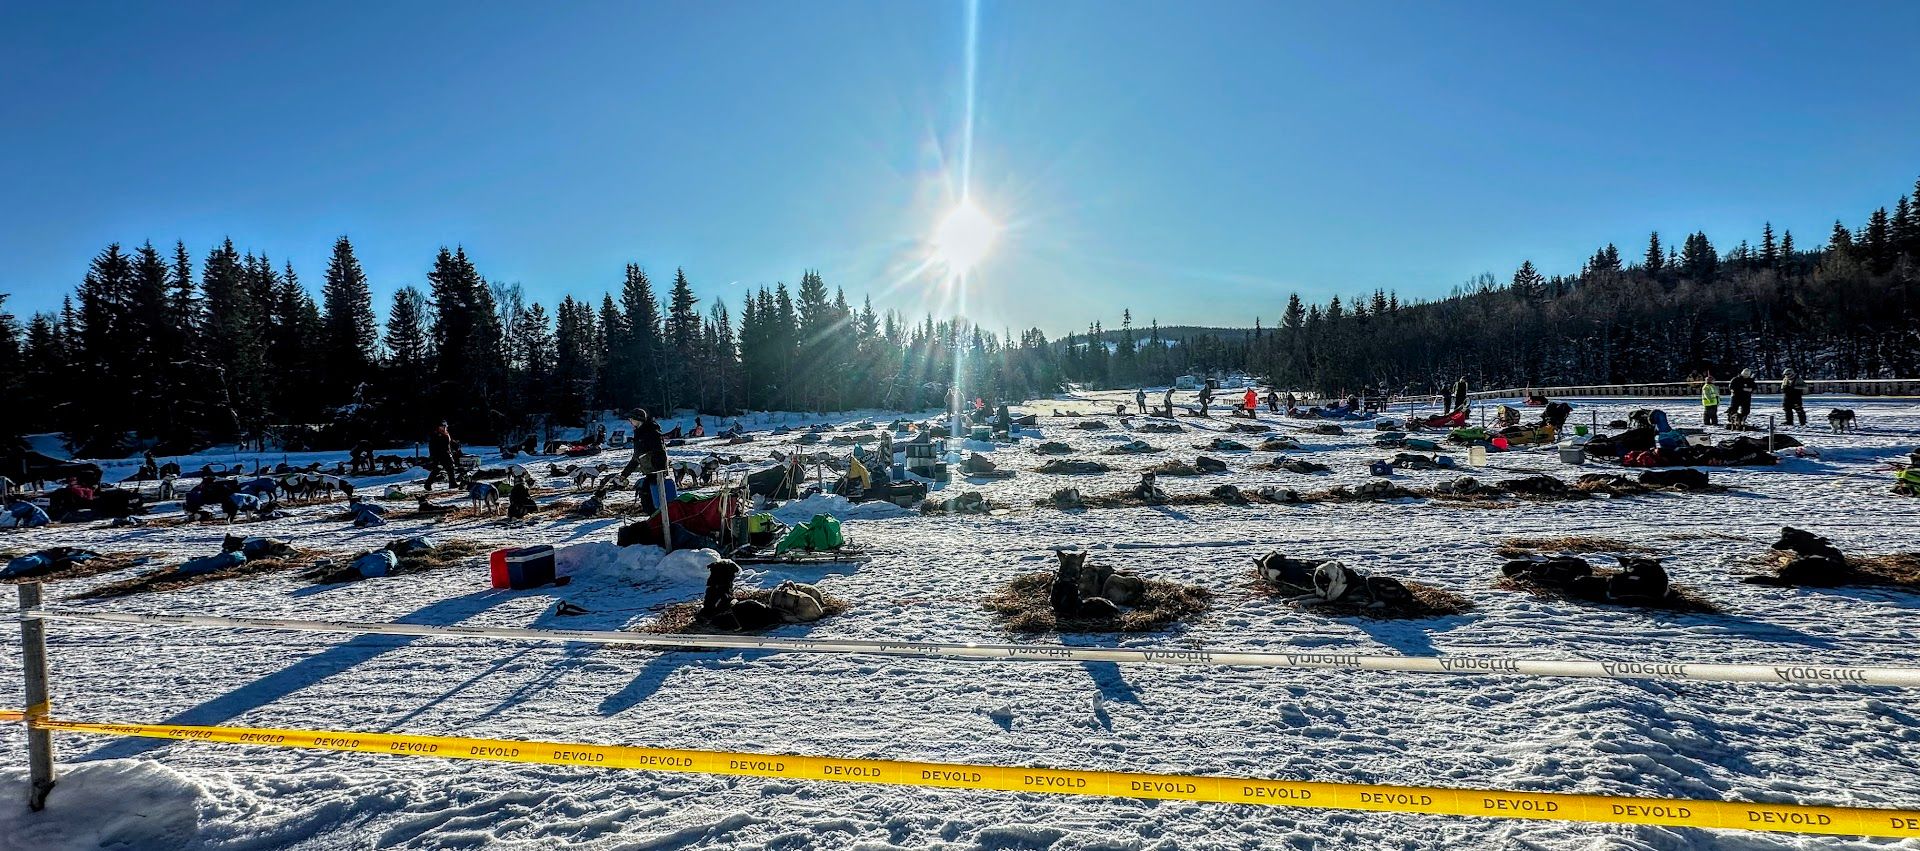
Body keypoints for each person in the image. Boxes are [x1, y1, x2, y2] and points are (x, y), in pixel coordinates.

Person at [621, 408, 671, 488]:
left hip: (657, 473)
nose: (630, 421)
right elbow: (637, 457)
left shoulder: (651, 432)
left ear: (638, 419)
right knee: (643, 491)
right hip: (649, 473)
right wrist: (624, 474)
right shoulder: (639, 433)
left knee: (652, 493)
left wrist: (660, 472)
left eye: (631, 419)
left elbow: (660, 452)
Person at [426, 422, 463, 490]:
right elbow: (432, 447)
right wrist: (434, 457)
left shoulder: (446, 434)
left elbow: (449, 442)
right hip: (439, 455)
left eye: (444, 426)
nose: (444, 427)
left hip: (447, 454)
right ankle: (427, 484)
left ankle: (452, 483)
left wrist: (455, 444)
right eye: (442, 426)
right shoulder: (436, 435)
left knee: (450, 468)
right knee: (437, 469)